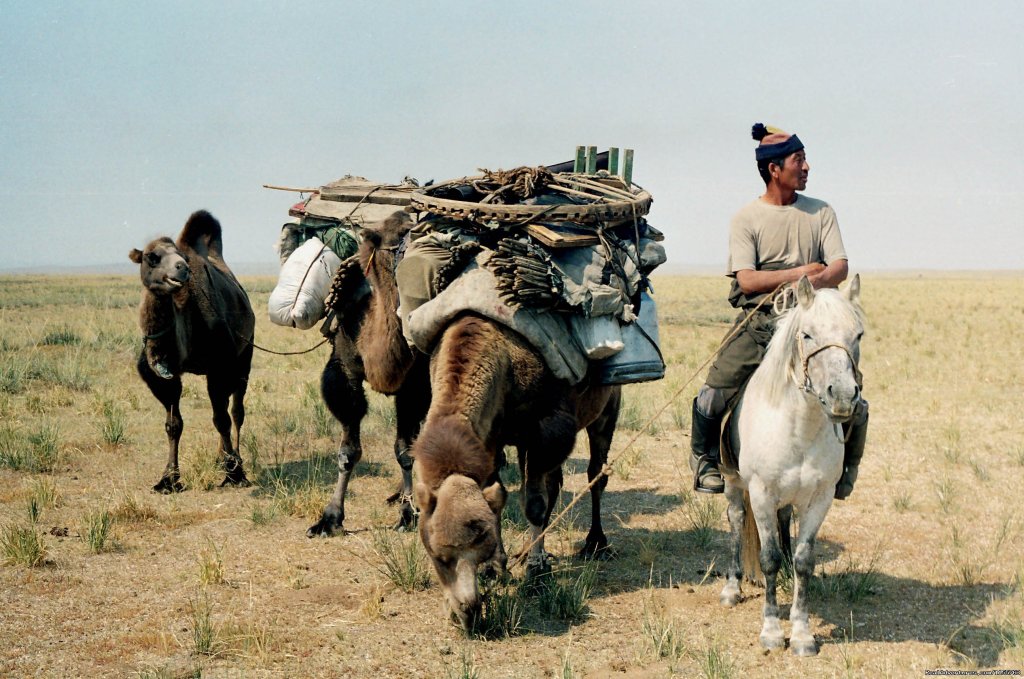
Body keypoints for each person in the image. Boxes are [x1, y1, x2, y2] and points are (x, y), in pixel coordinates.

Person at [689, 123, 868, 498]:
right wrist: (800, 274)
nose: (806, 167)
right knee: (712, 394)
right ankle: (704, 460)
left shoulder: (822, 212)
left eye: (804, 159)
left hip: (812, 320)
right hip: (761, 322)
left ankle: (846, 468)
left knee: (855, 397)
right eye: (798, 160)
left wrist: (811, 288)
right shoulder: (746, 219)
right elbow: (749, 281)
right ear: (774, 169)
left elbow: (840, 267)